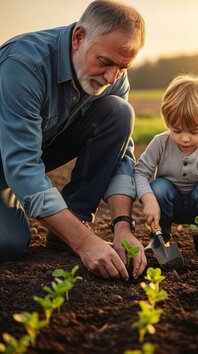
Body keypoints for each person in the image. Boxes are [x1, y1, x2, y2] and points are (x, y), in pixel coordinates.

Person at [0, 0, 147, 279]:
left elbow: (121, 155)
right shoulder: (24, 65)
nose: (111, 76)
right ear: (79, 37)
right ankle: (71, 232)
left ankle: (69, 225)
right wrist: (84, 242)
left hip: (25, 156)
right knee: (9, 245)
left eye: (123, 67)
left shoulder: (113, 76)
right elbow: (23, 166)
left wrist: (123, 225)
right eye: (105, 62)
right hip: (10, 159)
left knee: (118, 113)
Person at [134, 74, 198, 258]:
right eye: (176, 130)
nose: (185, 138)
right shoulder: (160, 143)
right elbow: (140, 172)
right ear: (167, 122)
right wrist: (148, 199)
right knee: (158, 187)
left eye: (194, 131)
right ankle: (160, 237)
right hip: (168, 206)